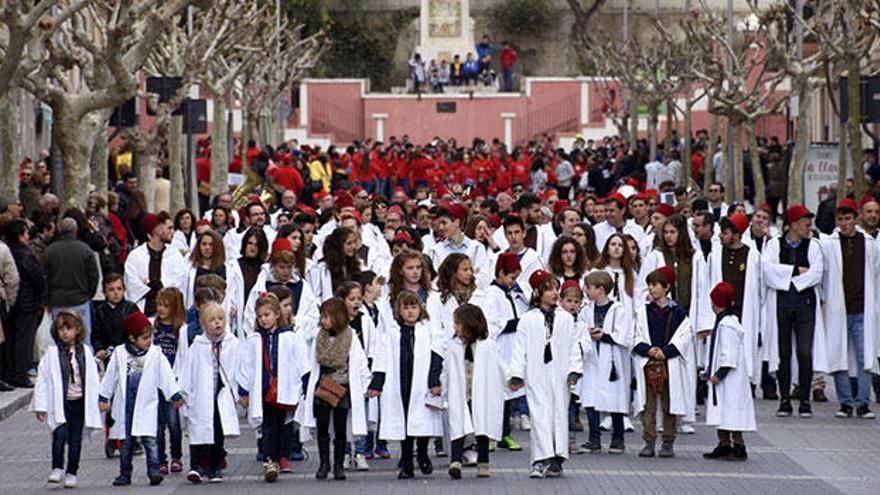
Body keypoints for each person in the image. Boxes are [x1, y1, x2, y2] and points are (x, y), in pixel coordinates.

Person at [508, 270, 583, 478]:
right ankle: (540, 459)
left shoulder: (566, 318)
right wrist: (516, 374)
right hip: (537, 373)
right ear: (537, 292)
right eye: (549, 289)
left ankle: (557, 458)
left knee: (559, 415)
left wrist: (574, 370)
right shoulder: (528, 319)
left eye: (555, 289)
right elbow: (519, 348)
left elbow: (573, 346)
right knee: (539, 416)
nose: (554, 293)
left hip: (559, 375)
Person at [99, 311, 184, 486]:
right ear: (132, 338)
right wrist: (104, 397)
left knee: (150, 441)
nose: (149, 341)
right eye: (145, 338)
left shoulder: (155, 354)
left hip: (146, 405)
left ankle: (153, 471)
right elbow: (110, 376)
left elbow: (165, 375)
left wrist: (174, 394)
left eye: (150, 337)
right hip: (126, 407)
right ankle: (125, 473)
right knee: (126, 444)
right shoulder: (120, 354)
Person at [300, 297, 379, 480]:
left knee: (341, 427)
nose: (323, 321)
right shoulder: (318, 336)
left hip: (343, 388)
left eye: (327, 317)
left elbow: (360, 362)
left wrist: (367, 384)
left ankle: (338, 465)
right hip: (323, 387)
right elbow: (310, 362)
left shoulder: (350, 336)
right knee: (322, 428)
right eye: (322, 317)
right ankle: (323, 463)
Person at [761, 205, 828, 418]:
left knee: (805, 352)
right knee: (783, 352)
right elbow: (768, 272)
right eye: (806, 224)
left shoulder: (814, 246)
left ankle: (805, 399)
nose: (809, 228)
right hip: (781, 304)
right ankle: (784, 399)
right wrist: (794, 271)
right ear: (794, 224)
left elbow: (817, 273)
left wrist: (790, 279)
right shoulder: (773, 245)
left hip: (804, 304)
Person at [236, 293, 308, 482]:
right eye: (260, 316)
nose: (263, 319)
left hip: (285, 388)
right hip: (263, 390)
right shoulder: (253, 340)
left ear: (277, 314)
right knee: (268, 426)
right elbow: (246, 365)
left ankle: (284, 456)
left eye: (267, 315)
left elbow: (301, 361)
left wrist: (305, 385)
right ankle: (269, 459)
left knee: (285, 424)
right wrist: (244, 391)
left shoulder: (289, 336)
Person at [821, 199, 878, 419]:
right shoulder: (830, 244)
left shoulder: (869, 243)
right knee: (838, 354)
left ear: (856, 219)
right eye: (841, 219)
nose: (844, 223)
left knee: (865, 356)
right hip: (838, 307)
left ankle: (863, 402)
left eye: (848, 219)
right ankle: (845, 402)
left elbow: (874, 272)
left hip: (862, 308)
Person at [377, 290, 443, 479]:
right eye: (406, 308)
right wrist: (377, 383)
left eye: (414, 307)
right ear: (399, 310)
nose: (410, 312)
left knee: (421, 421)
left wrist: (434, 380)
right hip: (400, 382)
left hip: (421, 382)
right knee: (404, 422)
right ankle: (406, 463)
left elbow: (437, 354)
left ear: (420, 308)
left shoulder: (428, 329)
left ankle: (422, 454)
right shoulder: (392, 331)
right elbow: (382, 357)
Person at [32, 311, 102, 488]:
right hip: (61, 403)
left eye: (68, 328)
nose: (65, 333)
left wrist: (100, 399)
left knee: (75, 439)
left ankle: (72, 471)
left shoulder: (85, 352)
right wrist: (41, 405)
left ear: (78, 330)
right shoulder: (52, 354)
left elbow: (93, 379)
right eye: (61, 329)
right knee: (59, 435)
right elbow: (43, 379)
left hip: (79, 402)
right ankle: (57, 467)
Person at [632, 267, 693, 459]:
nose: (651, 288)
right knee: (648, 405)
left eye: (655, 285)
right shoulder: (643, 311)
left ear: (666, 287)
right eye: (649, 284)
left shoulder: (678, 312)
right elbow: (635, 335)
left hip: (669, 364)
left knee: (669, 404)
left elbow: (684, 337)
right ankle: (649, 440)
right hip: (648, 364)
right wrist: (648, 350)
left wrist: (665, 352)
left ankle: (668, 441)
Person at [470, 252, 527, 451]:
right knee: (496, 395)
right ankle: (491, 434)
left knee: (508, 395)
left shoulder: (509, 293)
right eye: (511, 277)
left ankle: (504, 433)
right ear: (500, 273)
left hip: (511, 348)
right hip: (499, 347)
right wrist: (513, 324)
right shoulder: (491, 295)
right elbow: (491, 324)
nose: (514, 281)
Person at [179, 302, 241, 484]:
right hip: (201, 397)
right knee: (197, 432)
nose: (217, 323)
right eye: (212, 320)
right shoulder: (197, 346)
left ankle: (214, 467)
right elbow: (188, 372)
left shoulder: (232, 344)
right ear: (204, 324)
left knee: (217, 433)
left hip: (221, 397)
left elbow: (239, 369)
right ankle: (196, 466)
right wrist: (184, 395)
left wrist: (240, 393)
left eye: (220, 319)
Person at [445, 304, 504, 479]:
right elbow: (446, 369)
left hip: (481, 394)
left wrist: (512, 380)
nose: (455, 327)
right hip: (461, 393)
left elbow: (500, 366)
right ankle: (455, 460)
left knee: (482, 427)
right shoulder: (454, 346)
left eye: (458, 323)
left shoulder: (487, 346)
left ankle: (483, 462)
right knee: (458, 425)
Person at [578, 271, 631, 455]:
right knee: (591, 399)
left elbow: (623, 334)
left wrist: (605, 336)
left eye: (588, 287)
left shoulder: (618, 310)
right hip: (593, 360)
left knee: (614, 400)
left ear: (600, 290)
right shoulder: (586, 310)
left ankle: (618, 438)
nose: (585, 290)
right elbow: (580, 328)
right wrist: (589, 333)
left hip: (611, 361)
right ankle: (594, 439)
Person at [702, 282, 755, 462]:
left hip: (728, 379)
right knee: (723, 410)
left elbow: (729, 354)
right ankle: (724, 443)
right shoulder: (724, 322)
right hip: (724, 378)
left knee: (731, 411)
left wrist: (719, 374)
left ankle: (738, 445)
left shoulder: (727, 326)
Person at [4, 219, 45, 388]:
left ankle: (10, 372)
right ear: (20, 236)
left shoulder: (9, 251)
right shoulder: (25, 255)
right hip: (26, 303)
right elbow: (37, 278)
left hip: (11, 303)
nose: (28, 237)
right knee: (24, 341)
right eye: (26, 233)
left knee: (11, 339)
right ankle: (21, 374)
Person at [45, 218, 99, 343]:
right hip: (80, 300)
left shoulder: (50, 251)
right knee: (84, 339)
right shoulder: (85, 250)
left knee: (60, 338)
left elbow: (45, 277)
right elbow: (93, 276)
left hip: (58, 301)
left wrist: (47, 299)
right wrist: (89, 294)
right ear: (76, 230)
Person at [123, 212, 187, 317]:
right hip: (143, 310)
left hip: (170, 313)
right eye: (169, 228)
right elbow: (131, 283)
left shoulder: (175, 256)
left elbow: (179, 280)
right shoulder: (136, 256)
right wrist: (150, 289)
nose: (173, 232)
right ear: (158, 229)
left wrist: (157, 285)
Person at [152, 288, 188, 474]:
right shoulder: (152, 326)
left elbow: (183, 357)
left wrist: (179, 384)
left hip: (173, 381)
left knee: (174, 422)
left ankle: (176, 456)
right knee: (158, 424)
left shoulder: (181, 329)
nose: (161, 309)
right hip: (155, 382)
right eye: (159, 305)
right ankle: (160, 459)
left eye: (166, 306)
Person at [225, 227, 269, 337]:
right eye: (250, 243)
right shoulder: (234, 266)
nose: (252, 247)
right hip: (239, 316)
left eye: (256, 245)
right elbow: (229, 291)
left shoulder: (265, 268)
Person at [184, 230, 227, 308]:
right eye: (204, 244)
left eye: (211, 244)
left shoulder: (226, 269)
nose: (207, 247)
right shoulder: (190, 268)